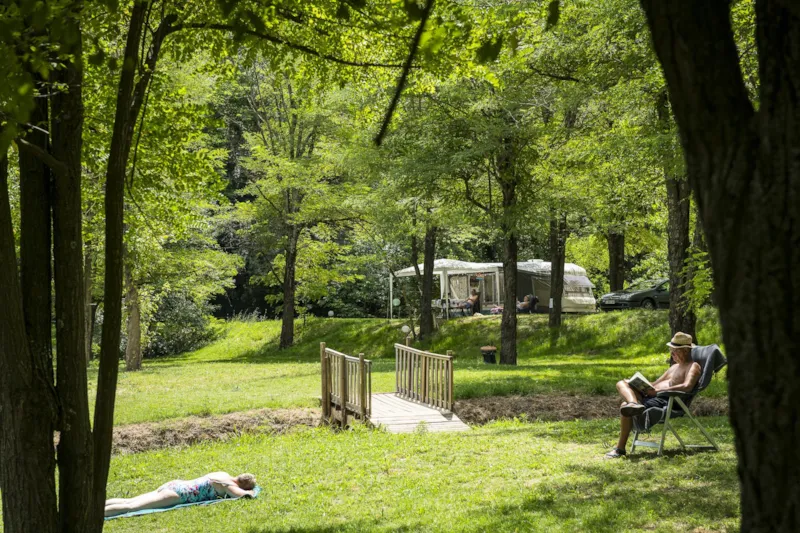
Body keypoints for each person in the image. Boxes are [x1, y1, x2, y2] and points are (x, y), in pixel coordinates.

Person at [604, 332, 701, 459]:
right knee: (622, 383)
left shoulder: (693, 366)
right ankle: (634, 403)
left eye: (675, 351)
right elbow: (655, 384)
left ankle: (620, 449)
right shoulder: (674, 367)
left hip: (665, 400)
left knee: (624, 406)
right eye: (671, 351)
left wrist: (658, 392)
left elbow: (687, 386)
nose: (672, 354)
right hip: (652, 395)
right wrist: (637, 384)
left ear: (685, 351)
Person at [104, 472, 257, 517]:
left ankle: (96, 507)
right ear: (242, 484)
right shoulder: (229, 486)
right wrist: (250, 492)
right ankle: (96, 514)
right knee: (131, 507)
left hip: (175, 484)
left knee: (129, 500)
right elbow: (242, 496)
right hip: (178, 494)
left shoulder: (222, 473)